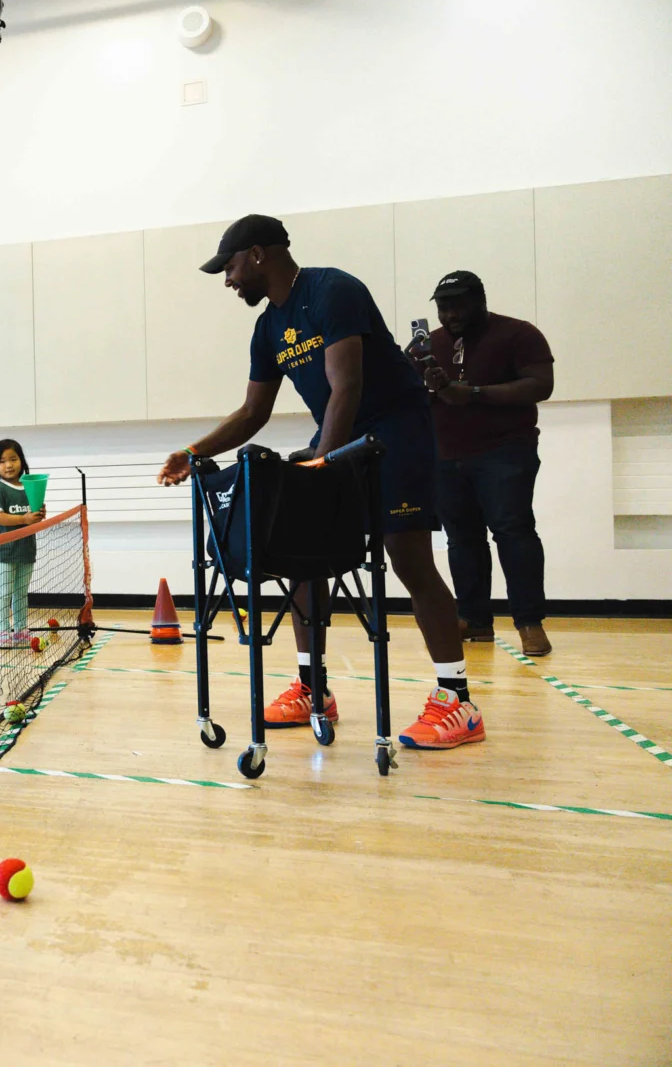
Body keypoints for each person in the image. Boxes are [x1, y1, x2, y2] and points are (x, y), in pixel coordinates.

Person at [157, 214, 484, 751]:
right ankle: (314, 688)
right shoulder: (267, 329)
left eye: (231, 266)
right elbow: (252, 413)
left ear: (259, 254)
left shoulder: (333, 290)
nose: (228, 279)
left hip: (394, 436)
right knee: (306, 557)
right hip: (338, 440)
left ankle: (458, 700)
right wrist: (192, 452)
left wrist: (322, 462)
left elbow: (346, 385)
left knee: (408, 559)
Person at [410, 271, 554, 656]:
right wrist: (423, 383)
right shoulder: (427, 345)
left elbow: (540, 385)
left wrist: (471, 394)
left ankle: (529, 623)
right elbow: (410, 402)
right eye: (443, 306)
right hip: (445, 455)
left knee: (513, 532)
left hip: (505, 452)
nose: (450, 313)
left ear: (480, 300)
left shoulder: (518, 334)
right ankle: (474, 620)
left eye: (458, 304)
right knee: (462, 540)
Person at [0, 438, 45, 648]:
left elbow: (33, 515)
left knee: (21, 592)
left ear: (21, 460)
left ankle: (20, 630)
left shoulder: (29, 486)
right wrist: (24, 519)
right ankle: (3, 632)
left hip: (26, 550)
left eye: (13, 459)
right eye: (2, 461)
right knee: (4, 593)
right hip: (5, 552)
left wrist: (38, 515)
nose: (9, 465)